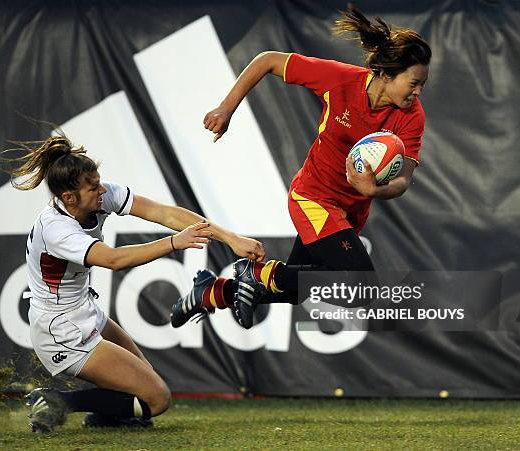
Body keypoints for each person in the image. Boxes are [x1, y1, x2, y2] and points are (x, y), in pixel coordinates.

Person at [170, 4, 431, 329]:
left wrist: (375, 189)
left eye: (423, 83)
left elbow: (404, 179)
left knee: (293, 288)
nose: (419, 91)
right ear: (387, 73)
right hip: (314, 199)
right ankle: (255, 273)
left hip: (350, 212)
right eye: (414, 82)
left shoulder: (412, 116)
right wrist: (226, 109)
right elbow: (267, 60)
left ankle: (211, 292)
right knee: (363, 287)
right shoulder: (341, 80)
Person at [1, 133, 265, 432]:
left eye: (99, 182)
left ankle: (105, 417)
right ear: (69, 198)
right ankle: (55, 400)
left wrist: (231, 238)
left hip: (84, 312)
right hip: (60, 329)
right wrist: (174, 243)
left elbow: (163, 212)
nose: (101, 189)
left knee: (136, 391)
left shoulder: (96, 198)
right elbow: (113, 260)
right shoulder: (56, 229)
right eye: (93, 187)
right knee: (156, 400)